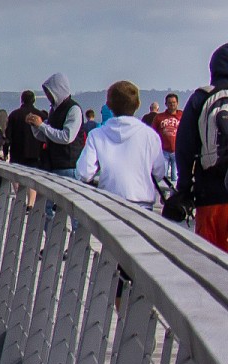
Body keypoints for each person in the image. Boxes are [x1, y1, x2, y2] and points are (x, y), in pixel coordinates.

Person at [167, 44, 228, 252]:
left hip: (210, 195)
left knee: (212, 260)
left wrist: (185, 188)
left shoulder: (202, 97)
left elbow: (184, 148)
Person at [76, 80, 172, 207]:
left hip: (108, 203)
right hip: (142, 203)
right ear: (137, 104)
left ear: (108, 105)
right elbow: (159, 173)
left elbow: (84, 173)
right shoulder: (150, 135)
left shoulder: (96, 135)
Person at [27, 74, 88, 172]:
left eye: (49, 92)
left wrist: (41, 125)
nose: (47, 96)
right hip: (54, 165)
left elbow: (67, 137)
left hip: (69, 167)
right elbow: (48, 137)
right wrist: (35, 125)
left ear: (57, 90)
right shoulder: (54, 109)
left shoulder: (73, 109)